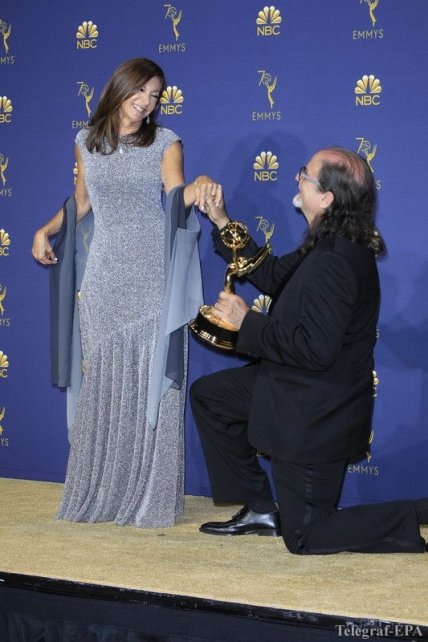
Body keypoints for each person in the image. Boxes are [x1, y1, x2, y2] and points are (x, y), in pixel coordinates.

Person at [191, 147, 428, 553]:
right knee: (212, 397)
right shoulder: (326, 245)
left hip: (316, 413)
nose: (296, 178)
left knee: (305, 537)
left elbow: (314, 349)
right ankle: (261, 508)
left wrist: (246, 321)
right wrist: (221, 220)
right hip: (296, 386)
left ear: (326, 198)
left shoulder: (335, 259)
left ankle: (417, 512)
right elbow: (271, 275)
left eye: (305, 174)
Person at [32, 58, 220, 528]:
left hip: (152, 274)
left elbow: (175, 196)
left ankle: (149, 496)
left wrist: (198, 186)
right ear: (119, 88)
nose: (147, 102)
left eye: (155, 96)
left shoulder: (165, 141)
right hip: (104, 277)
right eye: (141, 91)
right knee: (105, 384)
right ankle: (104, 491)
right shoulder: (85, 141)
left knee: (151, 379)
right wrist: (46, 230)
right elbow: (82, 201)